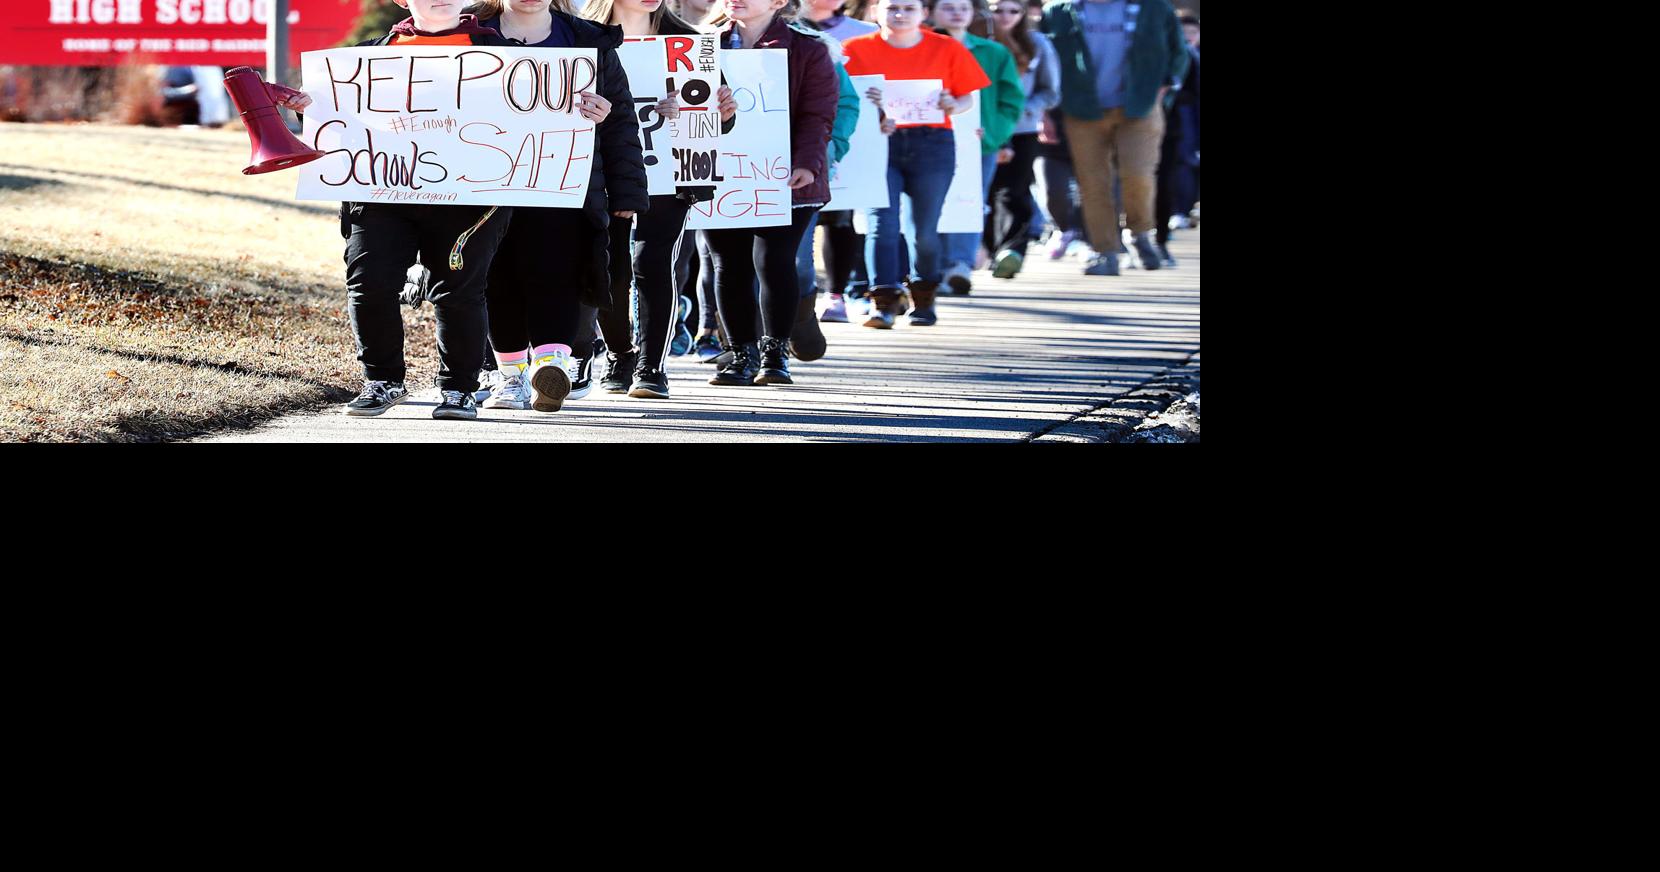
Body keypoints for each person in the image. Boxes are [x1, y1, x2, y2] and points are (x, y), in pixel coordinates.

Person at [331, 0, 533, 419]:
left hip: (471, 198)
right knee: (368, 282)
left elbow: (540, 115)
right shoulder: (370, 54)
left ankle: (459, 389)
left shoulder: (507, 54)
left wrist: (587, 110)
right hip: (384, 192)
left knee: (458, 292)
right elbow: (342, 113)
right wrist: (313, 108)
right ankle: (382, 380)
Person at [459, 0, 648, 413]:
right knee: (497, 277)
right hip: (485, 185)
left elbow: (621, 122)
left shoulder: (588, 41)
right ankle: (510, 378)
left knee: (559, 272)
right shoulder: (467, 33)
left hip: (566, 185)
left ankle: (552, 364)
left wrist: (627, 193)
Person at [581, 0, 739, 398]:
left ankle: (652, 366)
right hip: (606, 168)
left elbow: (716, 117)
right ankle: (620, 353)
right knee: (609, 262)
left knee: (651, 260)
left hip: (671, 170)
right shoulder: (584, 36)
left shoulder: (691, 41)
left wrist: (721, 112)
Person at [702, 0, 839, 386]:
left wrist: (807, 164)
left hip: (784, 176)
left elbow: (819, 114)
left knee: (774, 260)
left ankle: (774, 355)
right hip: (719, 173)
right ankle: (740, 354)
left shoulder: (808, 48)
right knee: (727, 263)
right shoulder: (700, 46)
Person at [842, 0, 988, 327]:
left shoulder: (946, 47)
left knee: (924, 229)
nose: (900, 14)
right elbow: (843, 97)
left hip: (932, 143)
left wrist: (953, 104)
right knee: (882, 222)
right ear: (874, 12)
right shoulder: (853, 50)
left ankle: (923, 296)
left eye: (909, 8)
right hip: (880, 142)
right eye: (892, 7)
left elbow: (966, 97)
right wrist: (870, 111)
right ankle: (883, 300)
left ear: (923, 14)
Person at [1041, 0, 1187, 276]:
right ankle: (1105, 252)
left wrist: (1165, 88)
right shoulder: (1058, 12)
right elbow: (1045, 62)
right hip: (1082, 108)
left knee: (1138, 174)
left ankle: (1140, 232)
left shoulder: (1154, 8)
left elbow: (1178, 53)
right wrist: (1046, 112)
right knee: (1092, 184)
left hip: (1140, 106)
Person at [934, 0, 1023, 297]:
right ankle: (930, 268)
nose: (957, 13)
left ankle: (959, 265)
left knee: (969, 201)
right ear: (931, 11)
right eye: (948, 7)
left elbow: (1011, 100)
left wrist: (994, 135)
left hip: (978, 145)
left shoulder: (994, 52)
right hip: (926, 141)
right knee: (929, 204)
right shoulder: (920, 47)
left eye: (963, 7)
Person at [983, 0, 1056, 279]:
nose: (1005, 17)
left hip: (1021, 128)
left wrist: (1020, 106)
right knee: (984, 192)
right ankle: (986, 251)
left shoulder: (1037, 44)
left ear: (1023, 14)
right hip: (985, 129)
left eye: (1013, 11)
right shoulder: (979, 41)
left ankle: (1011, 251)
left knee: (1014, 192)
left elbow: (1051, 90)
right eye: (997, 10)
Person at [1154, 7, 1197, 266]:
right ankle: (1117, 239)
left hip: (1169, 127)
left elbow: (1193, 92)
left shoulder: (1184, 55)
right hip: (1121, 121)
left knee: (1162, 183)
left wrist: (1166, 93)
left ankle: (1159, 238)